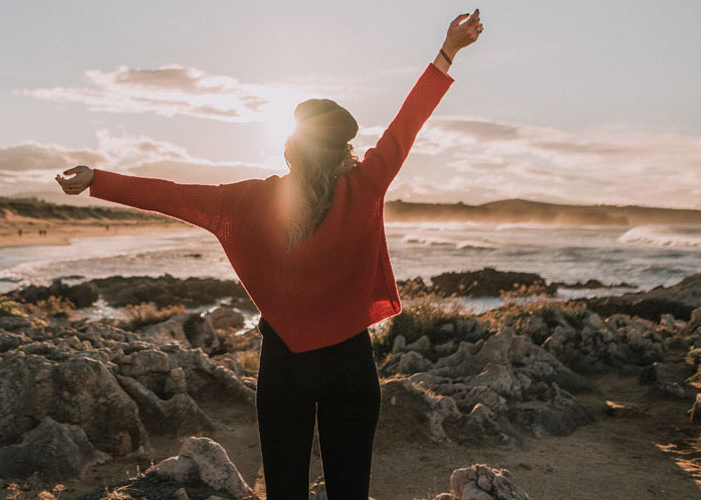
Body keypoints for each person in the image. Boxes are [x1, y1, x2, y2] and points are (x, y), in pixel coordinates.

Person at [57, 10, 482, 499]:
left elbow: (173, 194)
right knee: (350, 491)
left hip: (286, 364)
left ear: (291, 149)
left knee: (284, 490)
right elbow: (408, 123)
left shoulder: (250, 200)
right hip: (351, 363)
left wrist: (99, 179)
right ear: (343, 149)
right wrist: (449, 49)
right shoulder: (365, 185)